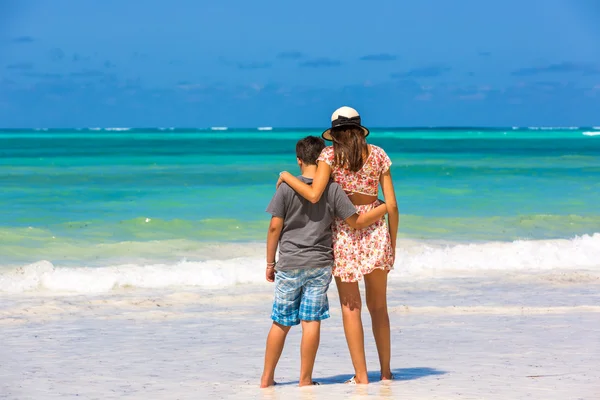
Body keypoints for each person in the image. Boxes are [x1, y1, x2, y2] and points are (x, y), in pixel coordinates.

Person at [277, 106, 398, 384]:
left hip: (344, 233)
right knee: (379, 307)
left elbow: (315, 192)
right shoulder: (378, 154)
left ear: (333, 133)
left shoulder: (329, 155)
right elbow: (392, 205)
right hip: (377, 232)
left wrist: (286, 176)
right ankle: (386, 372)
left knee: (350, 306)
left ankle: (362, 376)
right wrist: (393, 243)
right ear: (359, 129)